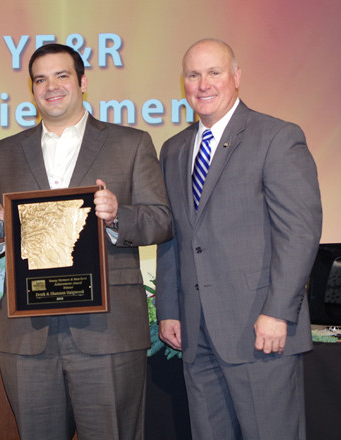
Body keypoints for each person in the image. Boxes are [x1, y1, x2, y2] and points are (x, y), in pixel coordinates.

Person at [0, 43, 173, 439]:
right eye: (40, 79)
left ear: (82, 82)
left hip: (108, 330)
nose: (52, 86)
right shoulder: (4, 153)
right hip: (28, 336)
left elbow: (161, 221)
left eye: (62, 76)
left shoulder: (130, 143)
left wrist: (118, 214)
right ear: (32, 90)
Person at [156, 39, 322, 439]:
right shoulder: (174, 149)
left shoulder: (277, 137)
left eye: (214, 72)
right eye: (193, 75)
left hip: (259, 330)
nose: (203, 84)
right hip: (196, 336)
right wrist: (169, 309)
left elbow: (299, 232)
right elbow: (173, 238)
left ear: (236, 77)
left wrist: (279, 312)